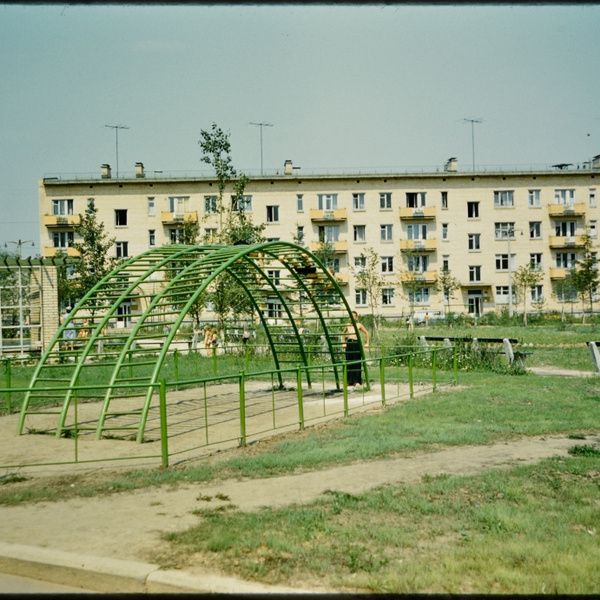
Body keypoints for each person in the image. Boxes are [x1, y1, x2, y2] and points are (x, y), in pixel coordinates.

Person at [341, 311, 370, 389]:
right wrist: (343, 343)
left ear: (356, 317)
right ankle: (349, 381)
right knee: (349, 362)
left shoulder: (359, 325)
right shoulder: (348, 325)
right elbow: (343, 333)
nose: (351, 318)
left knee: (357, 362)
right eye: (350, 316)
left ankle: (357, 381)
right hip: (349, 343)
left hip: (356, 344)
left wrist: (367, 343)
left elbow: (367, 333)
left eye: (353, 316)